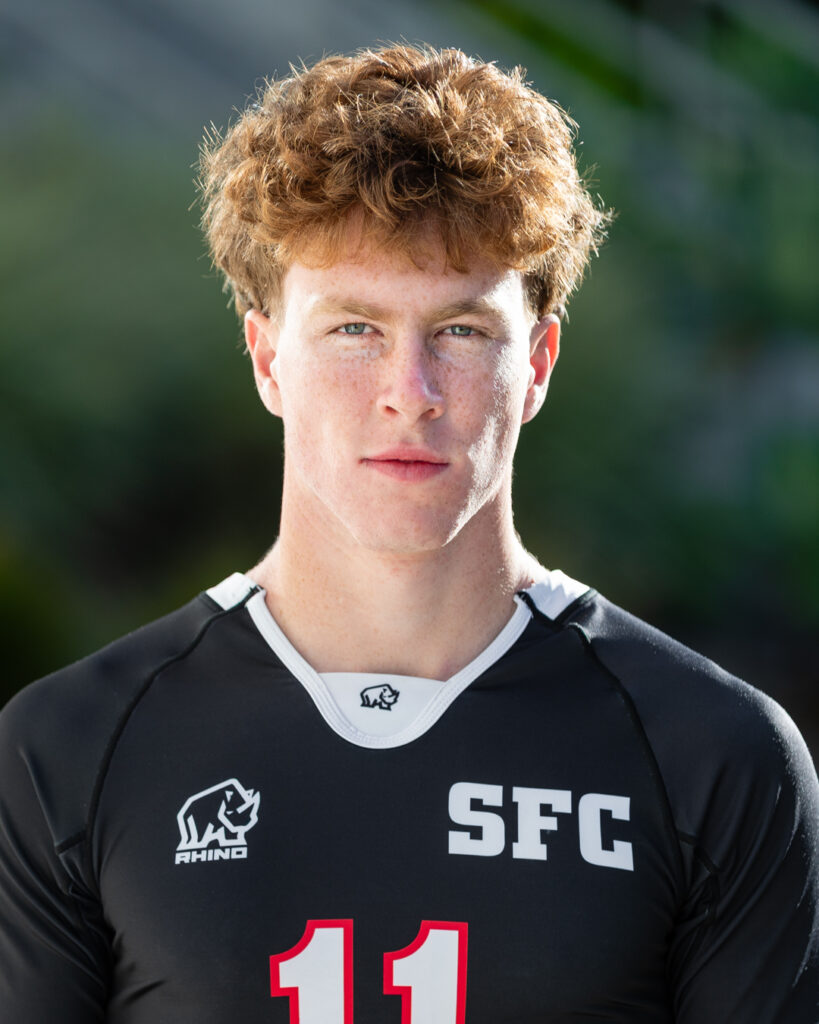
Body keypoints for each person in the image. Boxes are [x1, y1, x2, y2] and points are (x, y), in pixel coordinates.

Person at [0, 44, 816, 1024]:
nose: (409, 393)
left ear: (538, 361)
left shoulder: (713, 756)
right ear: (266, 357)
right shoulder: (69, 752)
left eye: (461, 330)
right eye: (354, 329)